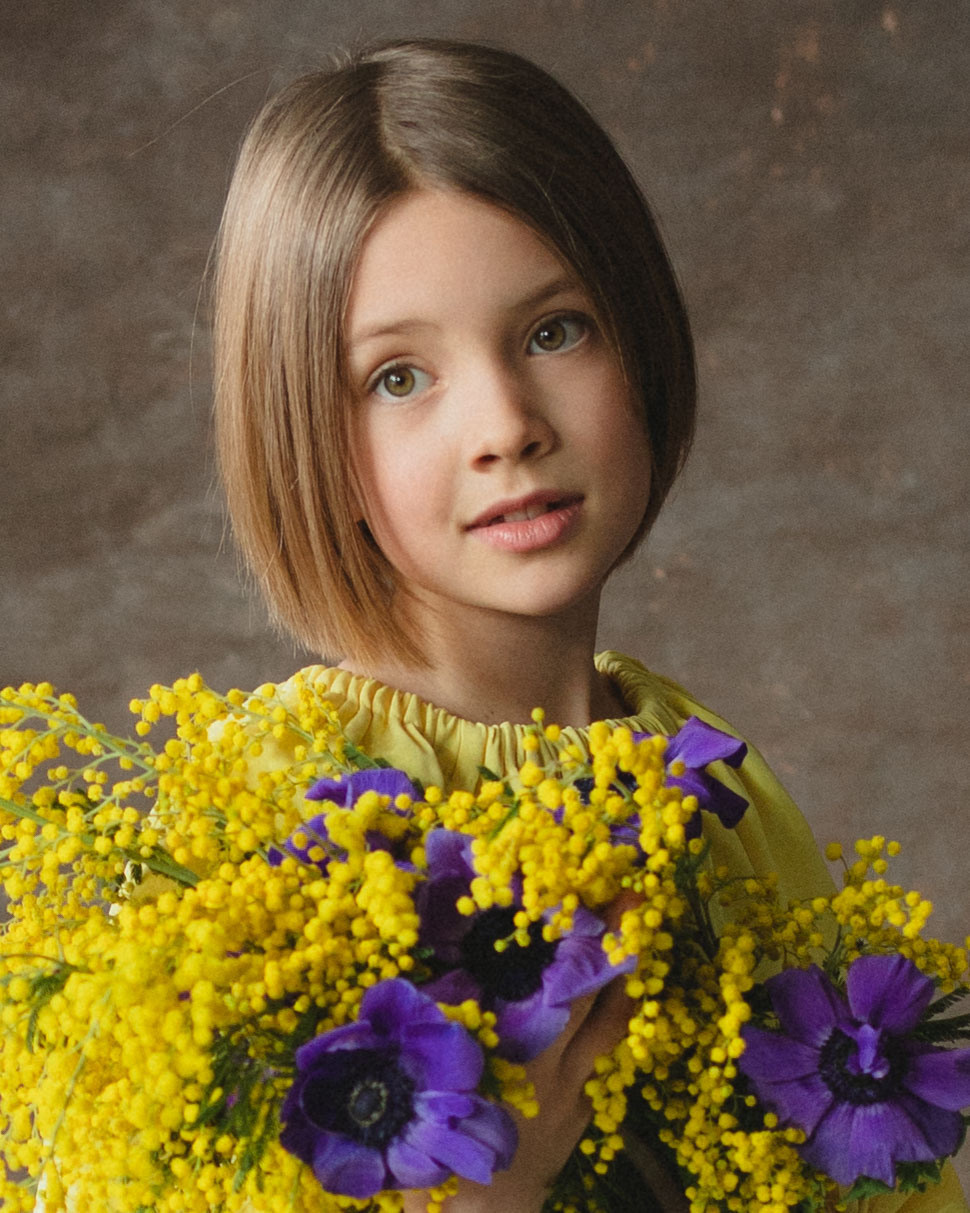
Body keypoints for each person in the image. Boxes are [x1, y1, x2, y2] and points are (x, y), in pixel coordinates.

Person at [212, 38, 968, 1213]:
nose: (505, 424)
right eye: (398, 378)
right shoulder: (277, 813)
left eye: (552, 331)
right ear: (301, 429)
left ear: (640, 336)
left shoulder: (711, 776)